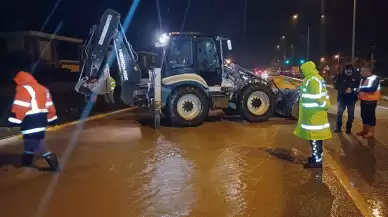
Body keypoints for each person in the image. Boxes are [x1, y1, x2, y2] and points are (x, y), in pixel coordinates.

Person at [7, 53, 59, 171]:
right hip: (41, 120)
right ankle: (26, 165)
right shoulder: (42, 88)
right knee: (30, 143)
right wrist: (52, 119)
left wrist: (14, 121)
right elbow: (49, 105)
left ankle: (54, 165)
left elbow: (20, 106)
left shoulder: (23, 89)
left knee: (39, 144)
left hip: (30, 121)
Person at [294, 61, 332, 168]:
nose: (301, 73)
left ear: (307, 69)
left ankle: (317, 161)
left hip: (315, 115)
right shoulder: (311, 79)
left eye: (302, 71)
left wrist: (322, 106)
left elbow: (318, 97)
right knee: (314, 139)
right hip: (312, 114)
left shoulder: (314, 80)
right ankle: (316, 157)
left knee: (315, 139)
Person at [333, 64, 360, 134]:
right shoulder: (340, 76)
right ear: (345, 70)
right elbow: (335, 85)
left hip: (351, 99)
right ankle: (338, 128)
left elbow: (359, 87)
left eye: (350, 70)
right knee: (339, 113)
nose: (348, 72)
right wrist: (344, 89)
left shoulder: (356, 77)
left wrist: (352, 89)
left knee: (351, 115)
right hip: (342, 98)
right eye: (347, 70)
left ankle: (348, 129)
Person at [356, 67, 380, 138]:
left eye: (362, 71)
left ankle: (371, 132)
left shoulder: (375, 78)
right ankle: (365, 130)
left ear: (368, 71)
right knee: (364, 116)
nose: (361, 72)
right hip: (363, 100)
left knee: (370, 117)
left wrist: (360, 89)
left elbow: (373, 89)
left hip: (371, 101)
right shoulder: (362, 79)